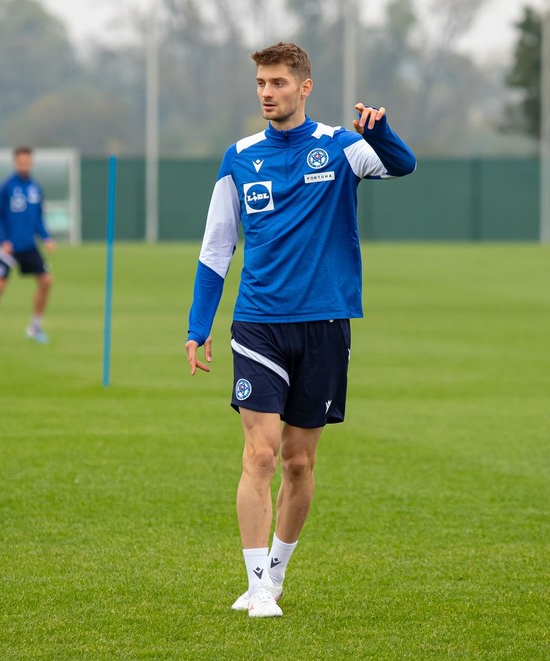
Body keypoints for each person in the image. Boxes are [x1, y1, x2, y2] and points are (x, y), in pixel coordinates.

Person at [184, 42, 416, 618]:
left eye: (279, 83)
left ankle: (278, 573)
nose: (267, 92)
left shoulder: (341, 147)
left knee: (298, 462)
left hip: (325, 325)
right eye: (261, 82)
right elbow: (217, 247)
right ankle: (257, 583)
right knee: (258, 456)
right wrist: (198, 325)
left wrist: (381, 132)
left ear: (304, 87)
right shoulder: (238, 157)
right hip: (258, 324)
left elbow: (401, 164)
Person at [0, 146, 55, 345]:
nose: (25, 165)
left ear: (32, 162)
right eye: (22, 161)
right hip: (9, 247)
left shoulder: (35, 188)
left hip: (29, 245)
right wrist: (3, 240)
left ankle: (35, 327)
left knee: (46, 281)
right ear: (15, 162)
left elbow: (38, 218)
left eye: (28, 161)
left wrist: (46, 237)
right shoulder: (5, 187)